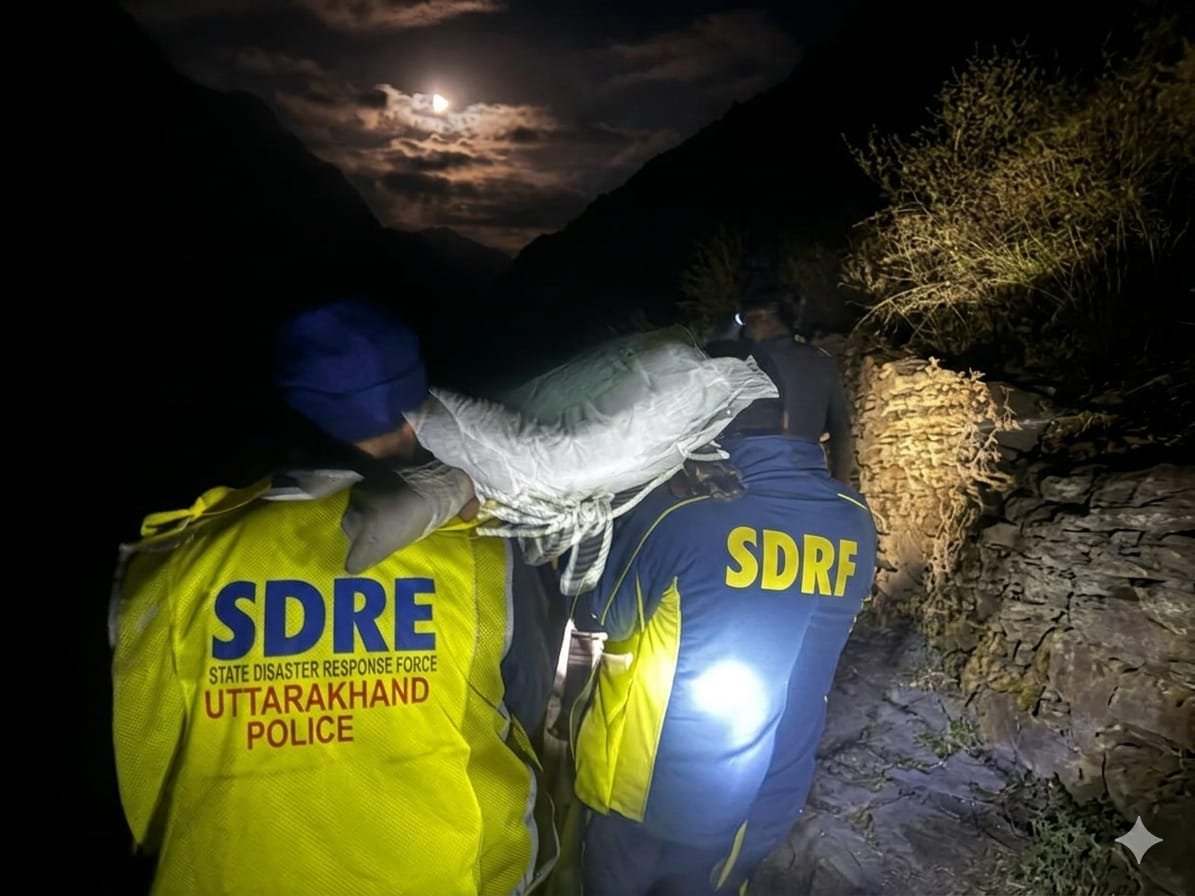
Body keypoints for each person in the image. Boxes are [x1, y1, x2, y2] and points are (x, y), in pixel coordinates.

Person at [108, 297, 558, 896]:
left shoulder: (176, 558)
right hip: (443, 876)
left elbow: (145, 765)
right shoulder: (478, 545)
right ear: (417, 409)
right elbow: (523, 710)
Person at [566, 398, 878, 895]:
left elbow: (599, 615)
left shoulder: (680, 512)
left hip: (646, 788)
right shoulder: (854, 519)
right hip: (768, 790)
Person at [735, 281, 856, 483]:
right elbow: (840, 431)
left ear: (761, 318)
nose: (748, 329)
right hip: (809, 477)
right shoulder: (821, 362)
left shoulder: (746, 365)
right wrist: (840, 483)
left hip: (756, 478)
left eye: (748, 320)